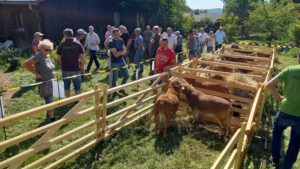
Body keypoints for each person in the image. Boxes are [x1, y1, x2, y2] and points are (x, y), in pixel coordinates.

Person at [266, 54, 300, 169]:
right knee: (295, 141)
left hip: (285, 110)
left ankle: (275, 159)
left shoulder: (290, 70)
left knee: (276, 133)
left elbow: (269, 85)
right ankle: (287, 166)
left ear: (298, 58)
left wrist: (278, 98)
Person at [24, 39, 57, 122]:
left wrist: (53, 73)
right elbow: (26, 64)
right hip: (44, 82)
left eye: (50, 50)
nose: (49, 51)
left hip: (51, 81)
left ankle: (49, 114)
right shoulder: (38, 56)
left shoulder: (47, 56)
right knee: (49, 99)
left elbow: (50, 67)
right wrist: (36, 73)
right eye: (47, 50)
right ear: (41, 48)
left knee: (50, 98)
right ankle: (52, 118)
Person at [57, 28, 85, 97]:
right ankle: (77, 101)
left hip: (65, 69)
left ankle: (68, 101)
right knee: (77, 87)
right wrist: (82, 68)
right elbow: (83, 58)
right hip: (76, 69)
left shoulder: (61, 45)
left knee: (66, 86)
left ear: (64, 35)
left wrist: (61, 66)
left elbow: (58, 59)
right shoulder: (78, 44)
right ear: (72, 34)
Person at [109, 28, 129, 99]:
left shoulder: (121, 40)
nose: (117, 36)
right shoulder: (111, 42)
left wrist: (120, 52)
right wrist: (122, 52)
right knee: (115, 78)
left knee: (127, 75)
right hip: (115, 62)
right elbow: (115, 55)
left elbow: (125, 49)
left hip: (121, 60)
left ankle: (121, 88)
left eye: (118, 34)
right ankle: (114, 91)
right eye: (116, 34)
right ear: (112, 34)